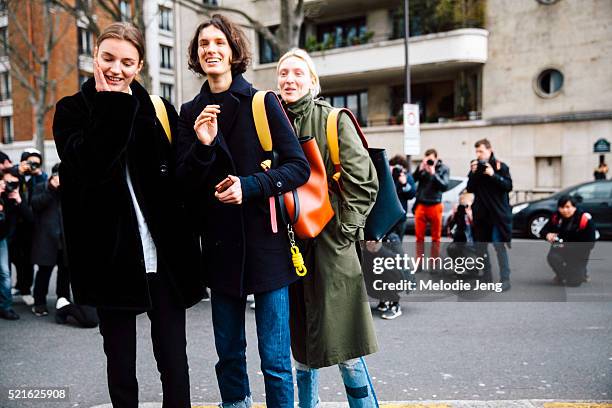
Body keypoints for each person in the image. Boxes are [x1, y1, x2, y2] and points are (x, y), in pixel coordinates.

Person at [53, 22, 204, 408]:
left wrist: (204, 149)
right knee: (120, 366)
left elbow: (181, 179)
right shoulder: (71, 111)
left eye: (126, 62)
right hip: (110, 260)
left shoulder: (157, 110)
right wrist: (113, 105)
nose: (116, 69)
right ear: (95, 57)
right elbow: (91, 165)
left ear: (139, 66)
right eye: (108, 58)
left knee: (174, 361)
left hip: (164, 256)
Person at [176, 16, 309, 408]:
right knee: (229, 357)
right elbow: (182, 183)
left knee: (276, 362)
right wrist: (202, 146)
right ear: (196, 56)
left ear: (234, 52)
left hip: (267, 246)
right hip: (218, 248)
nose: (210, 50)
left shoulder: (262, 103)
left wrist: (248, 187)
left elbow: (297, 167)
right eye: (203, 44)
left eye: (219, 42)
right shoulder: (190, 111)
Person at [277, 48, 380, 407]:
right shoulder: (270, 121)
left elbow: (364, 182)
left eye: (297, 73)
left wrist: (342, 233)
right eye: (283, 73)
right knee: (301, 351)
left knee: (347, 348)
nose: (289, 79)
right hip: (290, 252)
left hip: (332, 250)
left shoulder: (333, 120)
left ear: (312, 81)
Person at [466, 138, 513, 291]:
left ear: (489, 150)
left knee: (499, 246)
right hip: (481, 215)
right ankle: (486, 276)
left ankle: (505, 279)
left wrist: (493, 175)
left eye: (481, 151)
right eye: (477, 152)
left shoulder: (501, 167)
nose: (479, 154)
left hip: (497, 215)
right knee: (481, 247)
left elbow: (508, 186)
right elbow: (470, 188)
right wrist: (473, 174)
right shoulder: (476, 170)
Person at [30, 163, 71, 317]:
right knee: (44, 272)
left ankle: (64, 301)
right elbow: (35, 204)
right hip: (46, 239)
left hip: (65, 239)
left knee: (65, 272)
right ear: (53, 176)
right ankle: (39, 303)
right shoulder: (42, 187)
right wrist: (51, 189)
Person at [10, 148, 47, 306]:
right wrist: (17, 171)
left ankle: (25, 288)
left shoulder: (39, 178)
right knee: (14, 258)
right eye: (29, 162)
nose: (32, 166)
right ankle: (18, 285)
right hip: (12, 224)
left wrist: (38, 173)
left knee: (28, 259)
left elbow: (44, 189)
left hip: (30, 224)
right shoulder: (14, 173)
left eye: (36, 163)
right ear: (23, 161)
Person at [541, 195, 596, 287]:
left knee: (574, 283)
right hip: (561, 246)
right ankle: (562, 275)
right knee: (552, 257)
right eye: (561, 207)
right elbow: (543, 231)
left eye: (568, 207)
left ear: (574, 207)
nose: (564, 210)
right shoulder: (556, 217)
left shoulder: (584, 219)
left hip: (579, 251)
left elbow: (590, 244)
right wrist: (547, 234)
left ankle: (579, 272)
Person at [0, 168, 31, 320]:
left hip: (11, 239)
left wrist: (18, 200)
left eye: (14, 183)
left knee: (6, 273)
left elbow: (30, 219)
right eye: (7, 182)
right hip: (5, 237)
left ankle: (6, 306)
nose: (10, 186)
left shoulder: (18, 197)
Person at [412, 148, 449, 260]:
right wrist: (419, 169)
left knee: (436, 238)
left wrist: (433, 174)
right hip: (421, 205)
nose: (429, 162)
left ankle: (434, 262)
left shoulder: (443, 169)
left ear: (436, 159)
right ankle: (419, 261)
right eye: (428, 160)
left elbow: (444, 186)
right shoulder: (423, 168)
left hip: (435, 205)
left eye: (431, 160)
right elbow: (412, 180)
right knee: (419, 238)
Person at [389, 154, 416, 238]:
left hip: (400, 217)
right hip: (388, 217)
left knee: (398, 245)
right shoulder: (387, 177)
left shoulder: (406, 177)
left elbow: (412, 194)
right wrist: (389, 175)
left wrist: (404, 184)